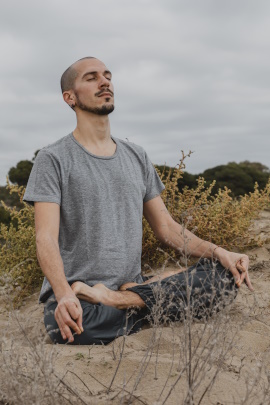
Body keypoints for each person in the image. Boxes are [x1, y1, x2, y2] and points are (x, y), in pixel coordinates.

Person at [23, 57, 254, 345]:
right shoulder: (53, 159)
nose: (105, 81)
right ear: (69, 97)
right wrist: (64, 294)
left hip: (126, 288)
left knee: (224, 277)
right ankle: (142, 299)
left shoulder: (136, 156)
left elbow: (168, 228)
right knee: (76, 329)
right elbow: (45, 237)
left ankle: (123, 299)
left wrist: (220, 252)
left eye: (107, 76)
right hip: (81, 296)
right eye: (91, 77)